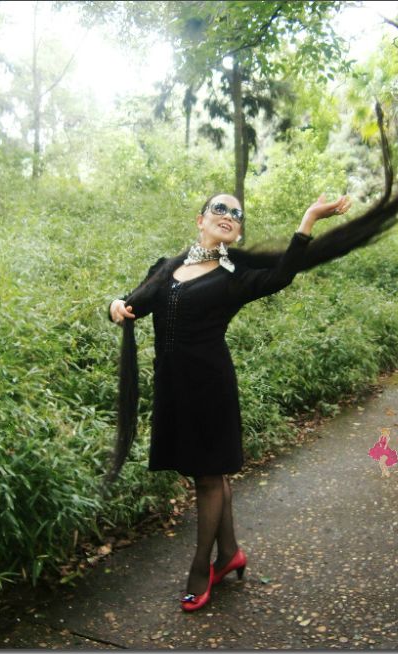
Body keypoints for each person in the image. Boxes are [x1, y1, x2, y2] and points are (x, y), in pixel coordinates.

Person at [108, 192, 351, 611]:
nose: (228, 215)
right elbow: (133, 303)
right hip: (173, 387)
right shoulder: (166, 268)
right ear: (200, 219)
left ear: (237, 232)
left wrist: (308, 219)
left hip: (210, 388)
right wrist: (115, 305)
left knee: (207, 477)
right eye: (220, 209)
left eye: (236, 214)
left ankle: (201, 568)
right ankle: (230, 553)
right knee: (208, 472)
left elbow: (282, 275)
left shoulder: (233, 277)